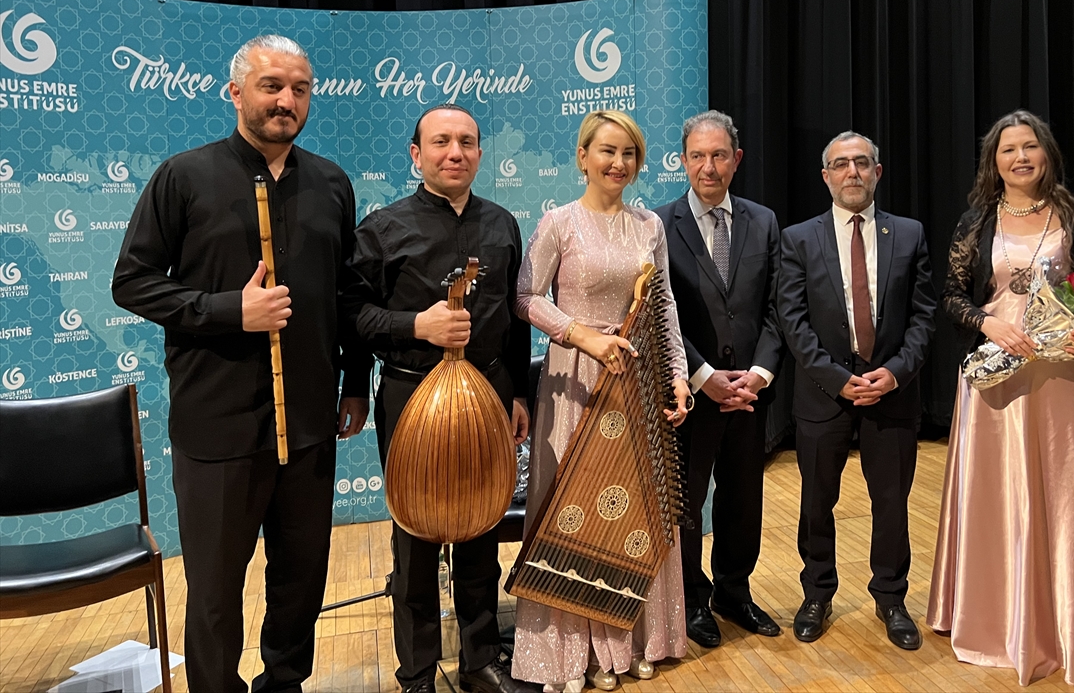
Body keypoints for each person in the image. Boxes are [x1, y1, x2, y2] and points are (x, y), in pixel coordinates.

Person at [112, 35, 370, 693]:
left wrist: (355, 382)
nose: (286, 100)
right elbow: (133, 281)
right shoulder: (184, 176)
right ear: (235, 92)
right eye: (271, 86)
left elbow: (350, 296)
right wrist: (229, 310)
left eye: (299, 89)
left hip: (310, 426)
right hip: (217, 425)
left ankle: (284, 684)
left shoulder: (332, 183)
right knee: (217, 595)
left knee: (301, 581)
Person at [927, 110, 1074, 686]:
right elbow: (951, 295)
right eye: (1007, 149)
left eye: (1029, 147)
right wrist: (987, 325)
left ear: (1047, 155)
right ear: (995, 161)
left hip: (1066, 379)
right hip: (998, 380)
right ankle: (995, 624)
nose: (1020, 157)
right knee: (998, 498)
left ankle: (1065, 627)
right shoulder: (977, 221)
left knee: (1064, 499)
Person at [344, 104, 537, 693]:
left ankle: (480, 661)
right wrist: (414, 327)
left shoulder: (503, 223)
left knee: (481, 526)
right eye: (441, 142)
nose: (455, 153)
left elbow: (517, 315)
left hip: (491, 390)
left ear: (480, 152)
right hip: (410, 392)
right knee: (417, 535)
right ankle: (418, 674)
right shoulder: (382, 228)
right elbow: (350, 315)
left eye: (468, 142)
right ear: (416, 154)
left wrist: (520, 394)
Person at [511, 110, 691, 693]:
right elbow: (525, 298)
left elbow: (663, 309)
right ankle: (572, 654)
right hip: (575, 382)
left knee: (635, 510)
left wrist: (679, 377)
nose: (619, 163)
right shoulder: (559, 222)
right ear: (582, 155)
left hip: (636, 383)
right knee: (573, 508)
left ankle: (638, 639)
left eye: (630, 154)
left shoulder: (649, 227)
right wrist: (579, 334)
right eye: (607, 151)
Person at [776, 131, 936, 651]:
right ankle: (817, 593)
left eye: (861, 163)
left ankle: (891, 597)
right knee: (817, 502)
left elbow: (924, 317)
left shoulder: (908, 234)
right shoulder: (799, 238)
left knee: (891, 503)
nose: (852, 173)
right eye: (840, 165)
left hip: (892, 394)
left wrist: (895, 372)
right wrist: (837, 379)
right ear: (825, 176)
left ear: (877, 173)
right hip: (823, 396)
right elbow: (792, 321)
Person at [653, 110, 786, 648]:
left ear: (737, 159)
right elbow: (660, 315)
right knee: (687, 501)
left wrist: (758, 374)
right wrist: (704, 375)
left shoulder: (764, 221)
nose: (709, 167)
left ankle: (734, 590)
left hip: (749, 394)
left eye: (719, 155)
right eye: (698, 156)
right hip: (690, 392)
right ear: (683, 160)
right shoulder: (657, 225)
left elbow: (779, 305)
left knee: (742, 497)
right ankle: (690, 598)